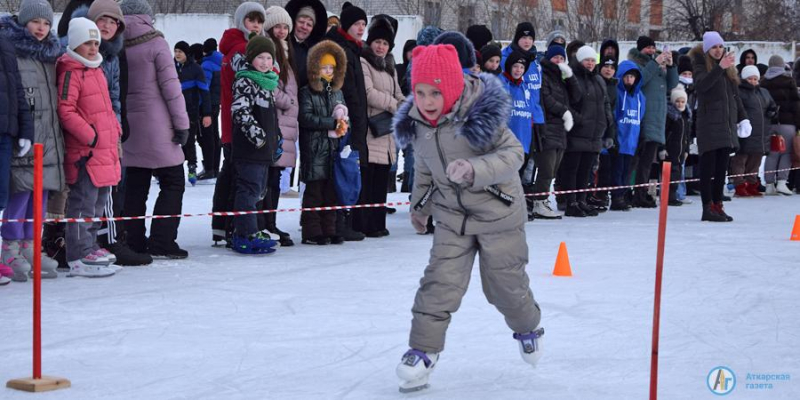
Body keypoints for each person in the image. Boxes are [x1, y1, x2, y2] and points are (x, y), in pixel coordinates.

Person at [393, 44, 543, 393]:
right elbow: (426, 173)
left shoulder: (479, 115)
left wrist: (474, 168)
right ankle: (423, 351)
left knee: (504, 287)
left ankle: (528, 327)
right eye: (420, 92)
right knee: (438, 283)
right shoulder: (419, 124)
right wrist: (420, 207)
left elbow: (513, 153)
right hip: (451, 217)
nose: (427, 101)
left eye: (435, 92)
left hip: (498, 213)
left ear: (453, 88)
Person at [0, 0, 65, 281]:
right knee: (20, 195)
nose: (41, 28)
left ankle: (31, 247)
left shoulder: (50, 56)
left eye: (47, 23)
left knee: (40, 196)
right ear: (23, 22)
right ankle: (9, 249)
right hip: (24, 138)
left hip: (48, 140)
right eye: (36, 22)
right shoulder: (11, 51)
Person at [120, 0, 191, 256]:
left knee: (136, 185)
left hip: (129, 125)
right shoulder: (156, 42)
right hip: (158, 126)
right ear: (147, 17)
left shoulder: (116, 44)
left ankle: (133, 240)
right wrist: (182, 124)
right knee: (173, 181)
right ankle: (162, 240)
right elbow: (171, 88)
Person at [56, 17, 122, 277]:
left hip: (104, 151)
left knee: (97, 204)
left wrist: (115, 132)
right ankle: (77, 254)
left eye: (96, 42)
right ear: (75, 44)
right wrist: (91, 136)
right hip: (86, 152)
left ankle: (91, 245)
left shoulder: (96, 70)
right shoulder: (71, 71)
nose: (94, 48)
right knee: (82, 203)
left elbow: (106, 108)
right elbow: (66, 109)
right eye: (87, 43)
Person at [213, 2, 266, 246]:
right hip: (241, 126)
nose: (256, 25)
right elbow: (257, 78)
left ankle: (224, 226)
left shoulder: (238, 48)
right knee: (242, 179)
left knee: (233, 174)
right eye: (251, 20)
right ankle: (235, 228)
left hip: (236, 125)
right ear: (240, 22)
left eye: (259, 21)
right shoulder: (240, 50)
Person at [230, 34, 282, 254]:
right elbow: (240, 111)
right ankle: (244, 234)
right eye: (260, 57)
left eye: (269, 58)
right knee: (249, 191)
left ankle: (252, 229)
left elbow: (271, 116)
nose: (265, 62)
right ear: (251, 58)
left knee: (259, 191)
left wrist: (276, 138)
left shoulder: (268, 82)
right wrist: (259, 137)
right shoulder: (245, 80)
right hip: (250, 149)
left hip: (263, 151)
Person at [689, 32, 749, 222]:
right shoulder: (700, 65)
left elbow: (735, 96)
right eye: (714, 47)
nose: (718, 50)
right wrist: (719, 68)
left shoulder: (728, 70)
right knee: (708, 169)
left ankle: (717, 205)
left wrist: (743, 118)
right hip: (708, 125)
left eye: (721, 47)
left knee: (722, 169)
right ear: (707, 49)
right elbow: (701, 86)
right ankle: (707, 207)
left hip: (726, 126)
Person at [357, 17, 404, 237]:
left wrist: (404, 106)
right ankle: (365, 223)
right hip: (370, 131)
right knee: (368, 179)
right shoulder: (363, 62)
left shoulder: (390, 67)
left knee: (381, 181)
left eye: (385, 43)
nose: (381, 46)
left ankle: (378, 222)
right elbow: (368, 94)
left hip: (387, 134)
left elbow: (398, 95)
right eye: (377, 42)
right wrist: (395, 105)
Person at [325, 3, 368, 241]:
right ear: (346, 25)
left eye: (363, 24)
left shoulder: (353, 48)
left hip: (354, 116)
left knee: (349, 169)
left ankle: (345, 221)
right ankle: (338, 223)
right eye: (356, 24)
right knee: (341, 169)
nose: (361, 28)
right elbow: (343, 87)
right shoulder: (339, 47)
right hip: (343, 117)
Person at [298, 40, 348, 245]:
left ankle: (330, 228)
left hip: (333, 150)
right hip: (314, 148)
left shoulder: (337, 92)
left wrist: (344, 123)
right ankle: (311, 231)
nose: (328, 71)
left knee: (331, 192)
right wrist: (332, 123)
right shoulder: (307, 92)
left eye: (331, 68)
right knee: (314, 193)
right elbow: (306, 118)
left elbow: (344, 113)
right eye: (324, 67)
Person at [562, 46, 614, 217]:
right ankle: (572, 202)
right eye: (587, 60)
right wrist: (579, 119)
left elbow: (605, 102)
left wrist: (607, 119)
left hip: (594, 134)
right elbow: (567, 102)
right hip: (577, 132)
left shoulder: (598, 80)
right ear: (580, 61)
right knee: (573, 169)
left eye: (593, 60)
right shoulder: (572, 77)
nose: (590, 64)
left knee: (586, 170)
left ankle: (582, 200)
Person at [261, 5, 298, 247]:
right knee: (267, 178)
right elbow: (267, 83)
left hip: (284, 124)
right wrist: (288, 101)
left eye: (286, 26)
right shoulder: (269, 52)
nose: (282, 30)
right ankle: (263, 224)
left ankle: (270, 222)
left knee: (275, 178)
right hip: (274, 121)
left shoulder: (285, 51)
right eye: (278, 26)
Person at [627, 36, 678, 208]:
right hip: (642, 119)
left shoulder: (659, 68)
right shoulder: (638, 65)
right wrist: (655, 62)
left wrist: (671, 66)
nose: (651, 50)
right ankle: (630, 192)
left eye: (653, 47)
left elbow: (673, 83)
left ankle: (641, 193)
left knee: (648, 161)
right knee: (636, 161)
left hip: (656, 120)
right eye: (647, 48)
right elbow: (640, 81)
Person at [0, 30, 35, 284]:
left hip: (5, 134)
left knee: (0, 196)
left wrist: (25, 129)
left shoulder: (5, 45)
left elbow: (18, 90)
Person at [534, 44, 577, 219]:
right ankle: (539, 201)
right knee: (546, 168)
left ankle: (543, 201)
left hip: (561, 130)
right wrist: (564, 112)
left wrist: (571, 77)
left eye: (561, 58)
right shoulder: (543, 74)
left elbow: (577, 96)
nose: (559, 61)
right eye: (555, 58)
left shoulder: (563, 78)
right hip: (548, 127)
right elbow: (546, 98)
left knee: (553, 170)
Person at [731, 65, 776, 197]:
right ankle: (739, 184)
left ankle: (752, 184)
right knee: (741, 159)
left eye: (755, 78)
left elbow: (771, 104)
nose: (753, 81)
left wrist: (772, 111)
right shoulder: (739, 91)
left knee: (755, 160)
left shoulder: (764, 92)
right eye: (750, 78)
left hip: (761, 132)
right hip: (745, 131)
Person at [500, 49, 534, 220]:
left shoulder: (526, 87)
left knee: (519, 178)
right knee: (506, 179)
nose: (518, 70)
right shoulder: (503, 83)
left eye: (522, 67)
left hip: (524, 141)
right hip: (507, 141)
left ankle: (516, 208)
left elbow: (531, 112)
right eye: (515, 66)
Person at [759, 55, 799, 196]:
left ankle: (769, 184)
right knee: (786, 153)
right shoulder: (789, 81)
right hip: (787, 123)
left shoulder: (762, 82)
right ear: (782, 66)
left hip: (769, 123)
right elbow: (796, 104)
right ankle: (782, 182)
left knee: (772, 154)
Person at [174, 40, 212, 187]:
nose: (177, 54)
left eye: (180, 52)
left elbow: (205, 92)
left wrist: (207, 113)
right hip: (174, 110)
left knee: (189, 140)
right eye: (176, 51)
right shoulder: (171, 67)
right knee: (173, 140)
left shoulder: (196, 69)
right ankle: (167, 170)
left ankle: (192, 167)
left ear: (186, 53)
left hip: (191, 111)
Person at [611, 61, 645, 211]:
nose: (630, 80)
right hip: (619, 139)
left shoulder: (640, 97)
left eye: (632, 77)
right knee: (617, 170)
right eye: (627, 76)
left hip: (632, 140)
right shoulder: (617, 93)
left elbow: (641, 117)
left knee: (627, 171)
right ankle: (616, 197)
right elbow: (613, 115)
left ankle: (623, 195)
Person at [285, 0, 327, 89]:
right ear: (294, 22)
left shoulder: (316, 51)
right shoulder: (283, 44)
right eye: (301, 21)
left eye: (309, 25)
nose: (304, 27)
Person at [663, 86, 691, 205]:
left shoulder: (686, 116)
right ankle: (669, 197)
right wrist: (663, 148)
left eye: (682, 102)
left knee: (678, 174)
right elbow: (664, 132)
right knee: (671, 175)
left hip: (681, 151)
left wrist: (687, 150)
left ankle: (675, 195)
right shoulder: (670, 116)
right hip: (671, 150)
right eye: (677, 101)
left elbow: (687, 135)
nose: (680, 104)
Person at [198, 38, 222, 180]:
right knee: (214, 135)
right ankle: (215, 167)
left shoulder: (206, 64)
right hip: (216, 103)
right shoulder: (222, 61)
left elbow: (204, 87)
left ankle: (209, 168)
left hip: (207, 105)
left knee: (206, 137)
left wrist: (200, 106)